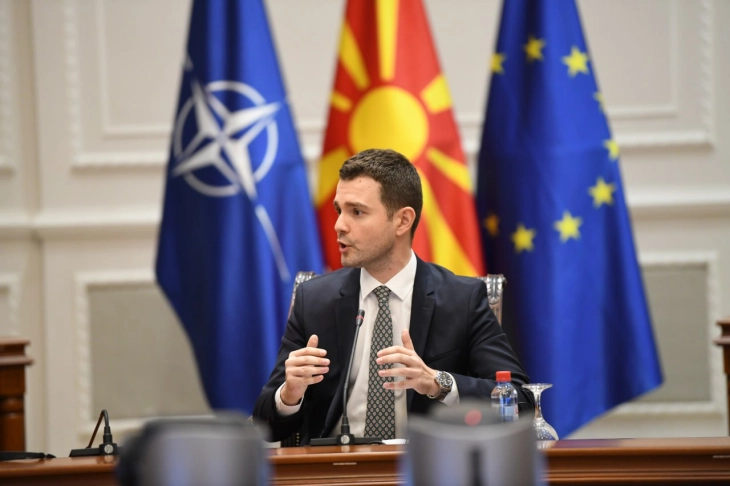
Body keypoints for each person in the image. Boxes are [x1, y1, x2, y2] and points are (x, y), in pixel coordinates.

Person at [253, 148, 534, 444]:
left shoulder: (461, 300)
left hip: (426, 464)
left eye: (357, 212)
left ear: (402, 221)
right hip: (335, 463)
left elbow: (521, 402)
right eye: (339, 210)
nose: (339, 225)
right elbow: (265, 426)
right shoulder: (314, 300)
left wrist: (437, 382)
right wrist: (289, 395)